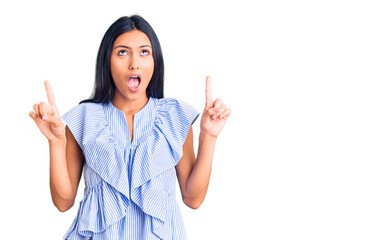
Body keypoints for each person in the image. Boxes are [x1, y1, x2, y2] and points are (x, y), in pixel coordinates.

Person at [29, 15, 231, 240]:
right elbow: (63, 202)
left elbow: (193, 199)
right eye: (122, 52)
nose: (134, 63)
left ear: (156, 61)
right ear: (107, 60)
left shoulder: (174, 117)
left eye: (144, 52)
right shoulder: (86, 118)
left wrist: (209, 136)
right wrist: (56, 142)